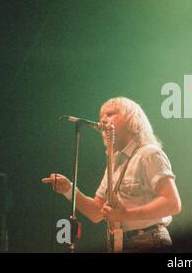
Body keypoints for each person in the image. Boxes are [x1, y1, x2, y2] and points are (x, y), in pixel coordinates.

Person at [42, 97, 181, 251]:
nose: (103, 120)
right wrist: (68, 189)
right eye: (101, 116)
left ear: (132, 119)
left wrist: (125, 214)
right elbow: (96, 212)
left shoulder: (149, 154)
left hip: (149, 240)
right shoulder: (114, 162)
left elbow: (172, 204)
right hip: (120, 243)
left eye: (110, 114)